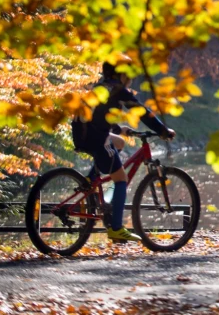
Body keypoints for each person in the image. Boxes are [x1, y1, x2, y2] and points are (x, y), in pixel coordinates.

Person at [71, 60, 175, 243]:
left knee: (118, 142)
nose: (131, 79)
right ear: (121, 74)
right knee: (121, 179)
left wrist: (120, 130)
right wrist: (162, 130)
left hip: (82, 133)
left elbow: (100, 115)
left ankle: (91, 179)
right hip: (96, 137)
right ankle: (116, 229)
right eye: (128, 74)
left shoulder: (102, 87)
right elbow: (142, 112)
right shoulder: (118, 89)